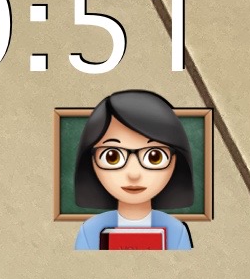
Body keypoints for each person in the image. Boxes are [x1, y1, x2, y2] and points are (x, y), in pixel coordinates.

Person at [71, 90, 197, 249]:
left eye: (154, 157)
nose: (134, 174)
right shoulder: (89, 231)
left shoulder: (177, 232)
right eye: (112, 157)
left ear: (174, 161)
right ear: (92, 161)